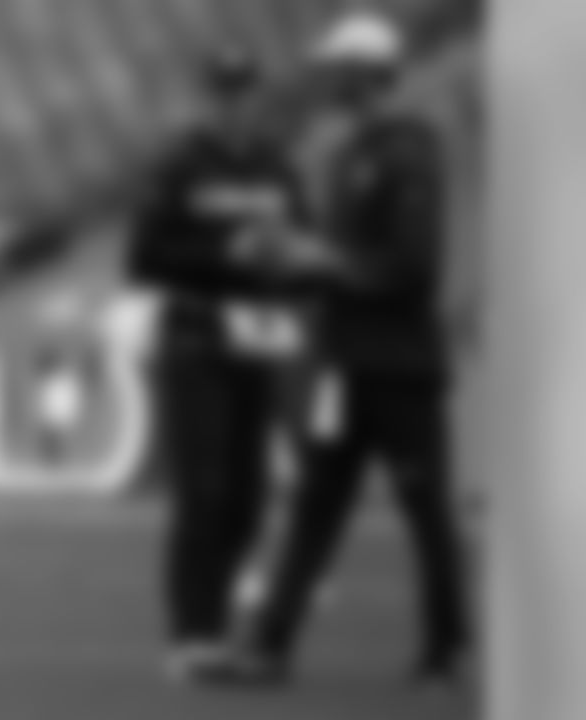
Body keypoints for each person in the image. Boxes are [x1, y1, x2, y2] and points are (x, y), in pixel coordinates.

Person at [206, 12, 471, 686]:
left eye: (338, 69)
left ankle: (448, 646)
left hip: (401, 369)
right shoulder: (351, 152)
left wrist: (318, 258)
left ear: (365, 73)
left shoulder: (410, 152)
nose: (326, 79)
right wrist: (280, 260)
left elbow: (413, 269)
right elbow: (337, 264)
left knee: (425, 510)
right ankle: (269, 647)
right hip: (346, 366)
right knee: (316, 507)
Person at [120, 48, 313, 681]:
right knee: (201, 491)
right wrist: (226, 253)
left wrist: (290, 262)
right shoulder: (179, 164)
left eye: (243, 92)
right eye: (223, 93)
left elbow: (305, 243)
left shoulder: (278, 167)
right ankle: (190, 635)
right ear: (207, 99)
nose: (233, 104)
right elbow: (142, 257)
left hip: (256, 341)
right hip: (196, 336)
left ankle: (213, 620)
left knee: (247, 499)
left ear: (258, 97)